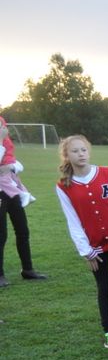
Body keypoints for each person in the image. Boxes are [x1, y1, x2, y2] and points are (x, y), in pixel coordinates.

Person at [55, 135, 108, 349]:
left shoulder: (107, 174)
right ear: (67, 155)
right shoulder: (63, 186)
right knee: (104, 287)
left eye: (83, 150)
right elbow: (72, 220)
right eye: (75, 151)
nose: (80, 154)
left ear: (89, 151)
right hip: (94, 245)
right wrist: (85, 250)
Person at [0, 115, 45, 287]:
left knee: (22, 230)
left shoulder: (7, 143)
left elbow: (17, 164)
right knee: (1, 234)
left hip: (11, 190)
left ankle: (28, 270)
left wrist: (10, 167)